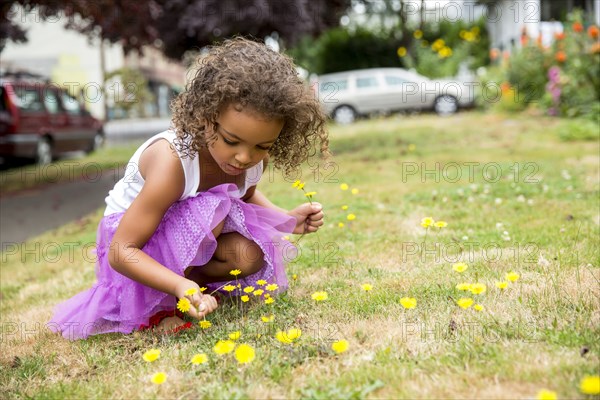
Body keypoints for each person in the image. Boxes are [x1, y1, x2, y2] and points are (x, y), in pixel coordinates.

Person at [49, 37, 329, 339]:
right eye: (231, 141)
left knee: (249, 254)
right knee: (213, 209)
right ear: (205, 118)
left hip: (185, 237)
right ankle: (163, 303)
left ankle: (196, 287)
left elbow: (246, 195)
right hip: (133, 246)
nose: (244, 157)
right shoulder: (173, 162)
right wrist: (177, 285)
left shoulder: (251, 162)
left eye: (262, 145)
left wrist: (287, 219)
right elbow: (121, 251)